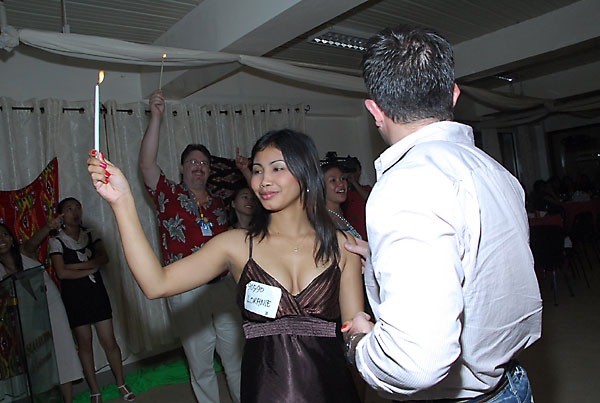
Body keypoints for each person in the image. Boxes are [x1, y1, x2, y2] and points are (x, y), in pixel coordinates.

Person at [88, 129, 365, 403]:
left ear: (305, 174)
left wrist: (367, 341)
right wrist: (122, 203)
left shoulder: (342, 245)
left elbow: (355, 332)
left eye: (277, 168)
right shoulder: (236, 245)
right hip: (267, 391)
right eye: (257, 170)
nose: (264, 180)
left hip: (332, 388)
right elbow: (155, 284)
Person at [342, 25, 542, 402]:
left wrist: (359, 345)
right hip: (510, 384)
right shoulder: (496, 171)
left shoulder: (405, 185)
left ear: (375, 111)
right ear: (453, 95)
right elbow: (481, 266)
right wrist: (381, 256)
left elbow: (417, 363)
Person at [138, 89, 243, 403]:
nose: (199, 166)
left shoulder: (219, 202)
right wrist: (156, 117)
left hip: (222, 287)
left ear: (209, 170)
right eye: (192, 162)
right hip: (185, 290)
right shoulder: (167, 194)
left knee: (235, 358)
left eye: (204, 163)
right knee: (201, 365)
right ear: (182, 168)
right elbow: (146, 164)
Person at [48, 198, 134, 403]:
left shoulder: (91, 233)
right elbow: (61, 273)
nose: (75, 212)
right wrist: (88, 268)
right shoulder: (56, 241)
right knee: (85, 344)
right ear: (61, 215)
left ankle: (121, 382)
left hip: (96, 293)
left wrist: (74, 266)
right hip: (74, 297)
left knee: (109, 340)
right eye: (69, 209)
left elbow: (104, 258)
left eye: (78, 207)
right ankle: (95, 390)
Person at [0, 221, 83, 403]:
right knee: (40, 357)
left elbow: (33, 242)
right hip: (27, 314)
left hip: (51, 305)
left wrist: (48, 227)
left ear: (12, 239)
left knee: (63, 350)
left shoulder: (24, 252)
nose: (1, 239)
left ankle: (68, 400)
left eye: (4, 234)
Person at [321, 161, 362, 239]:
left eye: (343, 178)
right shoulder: (322, 220)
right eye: (333, 180)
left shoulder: (339, 216)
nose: (341, 184)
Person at [341, 157, 371, 240]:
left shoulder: (367, 189)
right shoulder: (342, 193)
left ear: (359, 171)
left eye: (353, 171)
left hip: (366, 237)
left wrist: (354, 183)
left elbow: (370, 200)